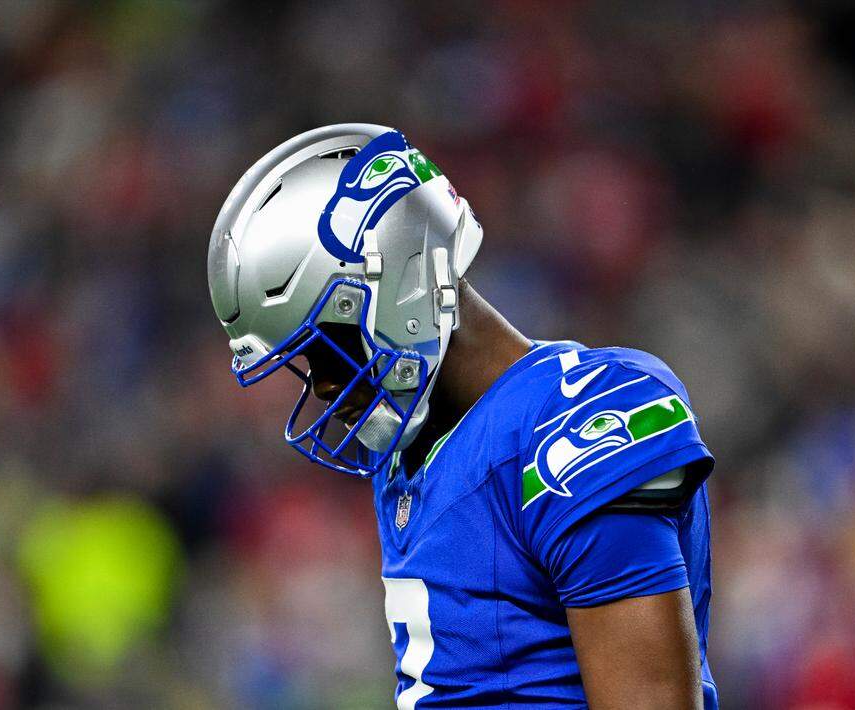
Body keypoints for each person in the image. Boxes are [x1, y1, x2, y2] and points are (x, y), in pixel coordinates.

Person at [207, 124, 717, 709]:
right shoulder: (407, 452)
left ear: (398, 278)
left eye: (326, 347)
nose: (323, 387)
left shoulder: (577, 417)